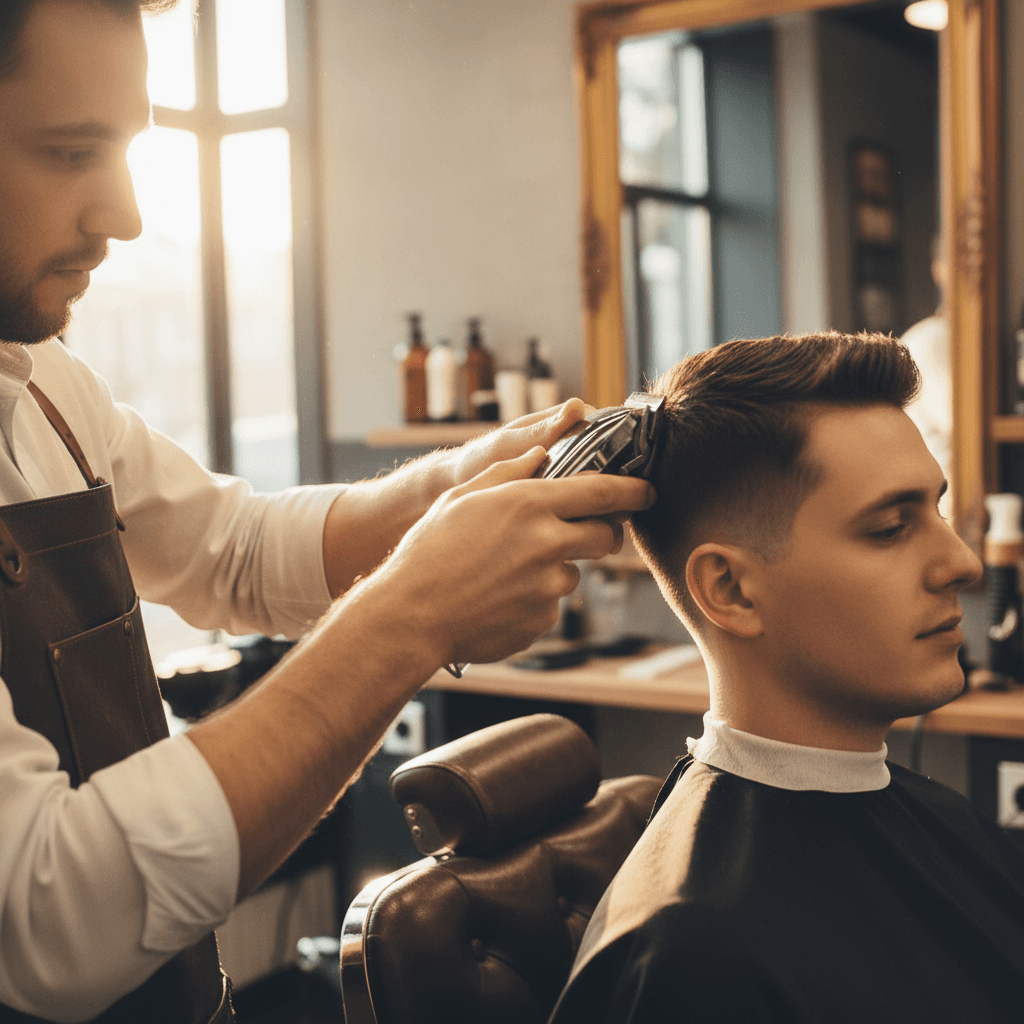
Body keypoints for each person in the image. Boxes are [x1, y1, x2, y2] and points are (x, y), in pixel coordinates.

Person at [0, 1, 656, 1021]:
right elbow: (45, 914)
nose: (124, 215)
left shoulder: (41, 383)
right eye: (71, 150)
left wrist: (451, 485)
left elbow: (236, 553)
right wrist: (415, 613)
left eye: (124, 149)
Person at [550, 332, 1024, 1024]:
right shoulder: (696, 960)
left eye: (938, 511)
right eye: (892, 528)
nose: (962, 563)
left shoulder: (929, 810)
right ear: (731, 590)